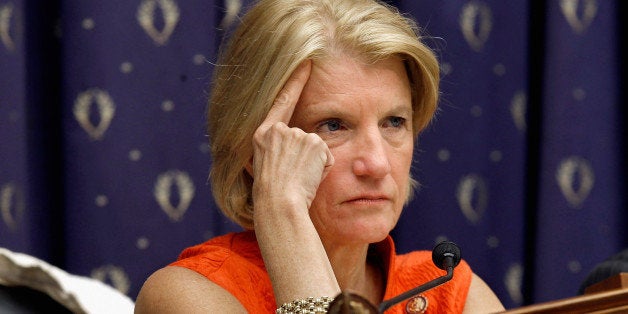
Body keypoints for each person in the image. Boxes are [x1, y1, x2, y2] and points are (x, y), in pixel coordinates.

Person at [135, 0, 505, 313]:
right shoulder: (188, 295)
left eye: (394, 122)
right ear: (256, 148)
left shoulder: (448, 292)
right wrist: (282, 208)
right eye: (333, 126)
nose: (376, 164)